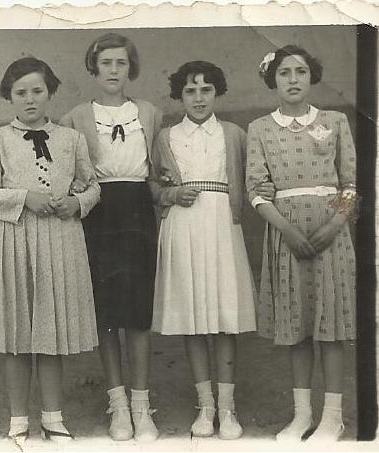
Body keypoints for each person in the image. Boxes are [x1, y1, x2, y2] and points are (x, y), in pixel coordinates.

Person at [0, 57, 100, 446]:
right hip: (15, 239)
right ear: (9, 96)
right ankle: (17, 421)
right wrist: (25, 197)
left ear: (50, 92)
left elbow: (92, 185)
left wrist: (76, 203)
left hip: (60, 240)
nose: (30, 99)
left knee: (51, 331)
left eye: (37, 91)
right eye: (20, 92)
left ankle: (53, 418)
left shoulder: (71, 139)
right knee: (17, 333)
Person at [150, 60, 274, 440]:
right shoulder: (166, 137)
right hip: (183, 226)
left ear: (217, 92)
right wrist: (172, 193)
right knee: (192, 319)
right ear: (180, 95)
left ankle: (227, 408)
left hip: (222, 226)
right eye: (190, 90)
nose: (199, 97)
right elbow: (152, 186)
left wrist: (265, 189)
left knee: (224, 318)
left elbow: (256, 177)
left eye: (206, 90)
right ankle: (205, 406)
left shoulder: (234, 134)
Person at [246, 45, 357, 442]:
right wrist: (287, 231)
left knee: (330, 327)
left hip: (330, 235)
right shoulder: (260, 128)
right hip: (287, 235)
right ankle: (302, 416)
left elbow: (350, 183)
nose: (293, 79)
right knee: (298, 328)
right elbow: (256, 189)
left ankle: (333, 417)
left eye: (301, 72)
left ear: (312, 77)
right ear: (272, 79)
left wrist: (336, 223)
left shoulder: (335, 121)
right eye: (284, 73)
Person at [59, 32, 162, 442]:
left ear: (130, 68)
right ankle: (117, 403)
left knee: (137, 310)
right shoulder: (75, 117)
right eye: (106, 63)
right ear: (94, 68)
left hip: (137, 209)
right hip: (98, 212)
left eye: (121, 63)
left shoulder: (149, 113)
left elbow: (160, 167)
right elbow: (69, 172)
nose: (113, 70)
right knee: (105, 310)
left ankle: (141, 404)